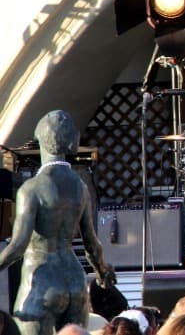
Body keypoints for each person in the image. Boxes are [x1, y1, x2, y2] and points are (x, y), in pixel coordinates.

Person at [0, 110, 115, 335]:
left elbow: (18, 246)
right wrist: (102, 272)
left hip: (42, 281)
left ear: (41, 140)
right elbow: (92, 243)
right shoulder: (81, 188)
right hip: (75, 280)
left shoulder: (31, 189)